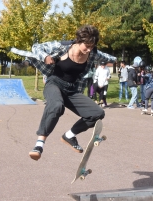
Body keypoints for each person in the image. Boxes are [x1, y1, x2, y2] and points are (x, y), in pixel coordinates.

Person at [11, 25, 117, 160]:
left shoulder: (93, 52)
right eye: (87, 46)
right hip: (54, 83)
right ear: (79, 40)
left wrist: (116, 60)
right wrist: (45, 56)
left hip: (72, 90)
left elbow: (108, 57)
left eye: (92, 46)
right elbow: (36, 47)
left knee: (97, 113)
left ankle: (69, 136)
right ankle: (39, 145)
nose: (89, 49)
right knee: (56, 106)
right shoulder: (62, 47)